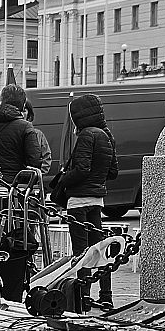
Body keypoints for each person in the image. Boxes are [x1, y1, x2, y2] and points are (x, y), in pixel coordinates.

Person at [61, 94, 118, 307]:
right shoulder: (107, 135)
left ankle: (83, 297)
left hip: (78, 201)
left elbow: (81, 169)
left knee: (82, 253)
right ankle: (106, 296)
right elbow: (113, 172)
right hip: (97, 200)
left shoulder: (86, 135)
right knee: (100, 250)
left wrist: (63, 180)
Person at [0, 85, 41, 183]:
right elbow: (35, 161)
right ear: (23, 105)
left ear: (1, 102)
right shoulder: (25, 127)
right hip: (14, 185)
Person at [24, 100, 53, 175]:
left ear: (29, 114)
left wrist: (37, 175)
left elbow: (46, 157)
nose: (21, 114)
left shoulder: (38, 134)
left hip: (31, 180)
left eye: (24, 111)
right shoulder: (12, 132)